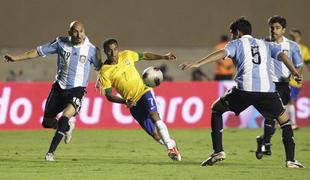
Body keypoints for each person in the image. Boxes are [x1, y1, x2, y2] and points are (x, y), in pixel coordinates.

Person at [180, 17, 304, 168]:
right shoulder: (265, 43)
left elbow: (220, 53)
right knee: (285, 121)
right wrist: (295, 73)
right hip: (267, 91)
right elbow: (283, 55)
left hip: (244, 90)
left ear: (238, 32)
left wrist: (197, 63)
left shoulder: (236, 43)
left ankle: (218, 151)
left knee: (216, 109)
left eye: (232, 33)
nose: (231, 36)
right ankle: (290, 160)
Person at [3, 21, 102, 161]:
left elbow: (101, 69)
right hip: (59, 88)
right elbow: (37, 52)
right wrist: (15, 58)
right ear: (69, 33)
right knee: (47, 123)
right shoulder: (60, 43)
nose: (79, 34)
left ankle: (50, 153)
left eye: (81, 31)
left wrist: (101, 82)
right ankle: (67, 128)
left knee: (65, 116)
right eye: (75, 31)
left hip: (77, 89)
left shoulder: (92, 50)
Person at [96, 38, 181, 161]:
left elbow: (145, 55)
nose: (113, 53)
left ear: (118, 49)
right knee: (155, 135)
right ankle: (171, 144)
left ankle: (170, 147)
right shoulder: (104, 71)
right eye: (109, 51)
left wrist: (163, 57)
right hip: (132, 102)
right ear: (105, 52)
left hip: (144, 91)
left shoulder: (127, 55)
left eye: (115, 49)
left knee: (154, 115)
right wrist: (125, 102)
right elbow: (108, 95)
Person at [255, 16, 303, 160]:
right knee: (271, 114)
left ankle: (262, 140)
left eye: (277, 28)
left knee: (276, 118)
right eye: (271, 27)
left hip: (283, 85)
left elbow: (299, 66)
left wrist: (296, 76)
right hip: (267, 84)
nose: (273, 30)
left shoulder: (292, 46)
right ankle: (267, 143)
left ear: (283, 30)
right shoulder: (262, 44)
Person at [288, 28, 310, 129]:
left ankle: (290, 123)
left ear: (300, 37)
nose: (294, 38)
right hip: (284, 79)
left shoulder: (304, 50)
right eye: (292, 37)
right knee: (288, 100)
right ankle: (290, 123)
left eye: (296, 36)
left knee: (290, 100)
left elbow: (308, 64)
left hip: (296, 80)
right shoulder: (286, 46)